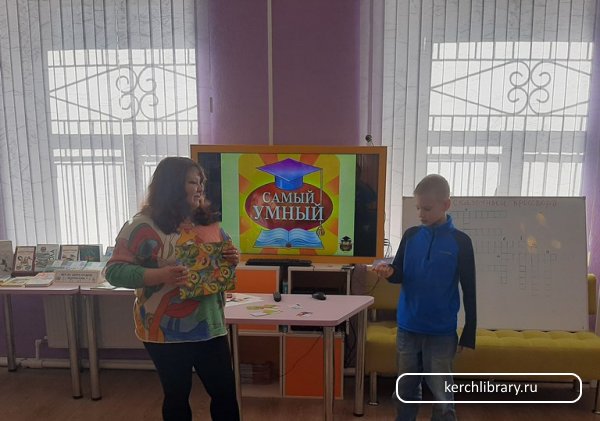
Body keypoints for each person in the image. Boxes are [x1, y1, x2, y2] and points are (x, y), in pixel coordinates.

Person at [105, 157, 240, 421]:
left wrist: (232, 259)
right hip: (165, 332)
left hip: (210, 326)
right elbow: (114, 272)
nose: (200, 188)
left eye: (201, 182)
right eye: (192, 182)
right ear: (172, 185)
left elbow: (221, 263)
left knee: (225, 395)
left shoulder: (208, 223)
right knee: (177, 397)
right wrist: (161, 275)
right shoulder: (142, 226)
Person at [373, 174, 476, 421]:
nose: (421, 214)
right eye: (418, 208)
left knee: (442, 394)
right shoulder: (410, 236)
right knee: (405, 390)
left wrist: (470, 330)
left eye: (427, 209)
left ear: (446, 204)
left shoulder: (461, 242)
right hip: (408, 328)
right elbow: (399, 274)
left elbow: (469, 288)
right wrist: (388, 273)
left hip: (441, 332)